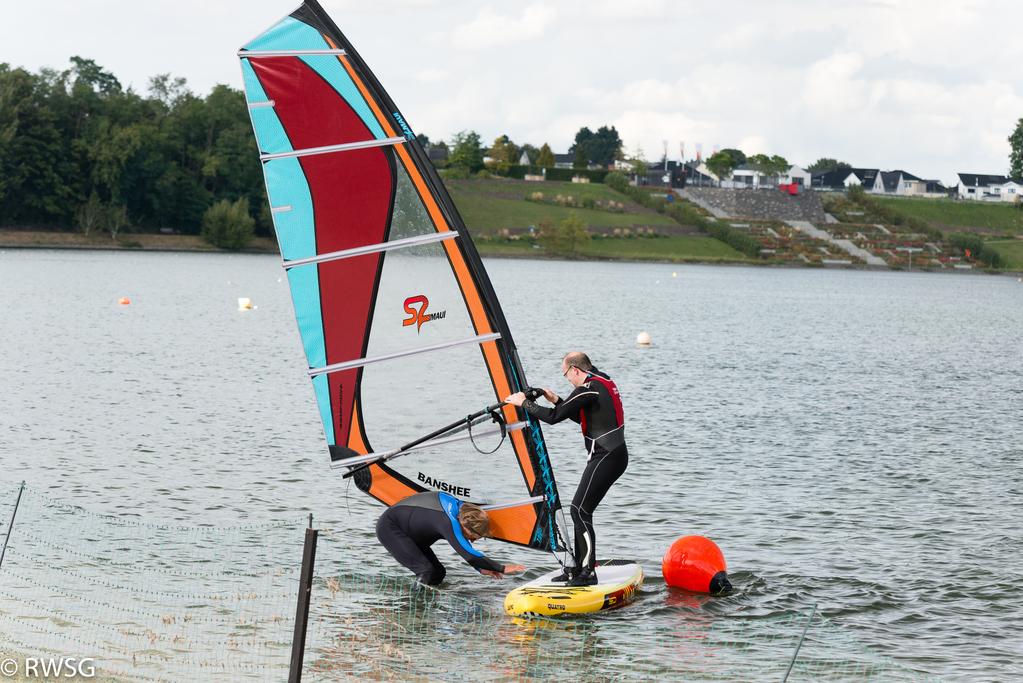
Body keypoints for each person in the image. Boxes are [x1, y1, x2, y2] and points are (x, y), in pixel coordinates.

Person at [505, 351, 627, 587]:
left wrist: (524, 403)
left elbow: (553, 418)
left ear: (575, 370)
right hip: (612, 454)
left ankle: (588, 572)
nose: (568, 381)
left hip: (608, 456)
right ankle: (577, 570)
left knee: (579, 510)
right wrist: (556, 399)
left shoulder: (587, 388)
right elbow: (584, 418)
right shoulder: (602, 381)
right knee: (580, 510)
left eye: (566, 376)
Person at [375, 490, 526, 586]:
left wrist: (481, 568)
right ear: (464, 525)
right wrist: (503, 568)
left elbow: (465, 547)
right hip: (391, 528)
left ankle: (424, 607)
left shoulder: (461, 510)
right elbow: (468, 553)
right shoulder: (448, 520)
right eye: (473, 538)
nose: (471, 541)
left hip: (412, 535)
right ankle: (413, 610)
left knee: (439, 572)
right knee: (425, 571)